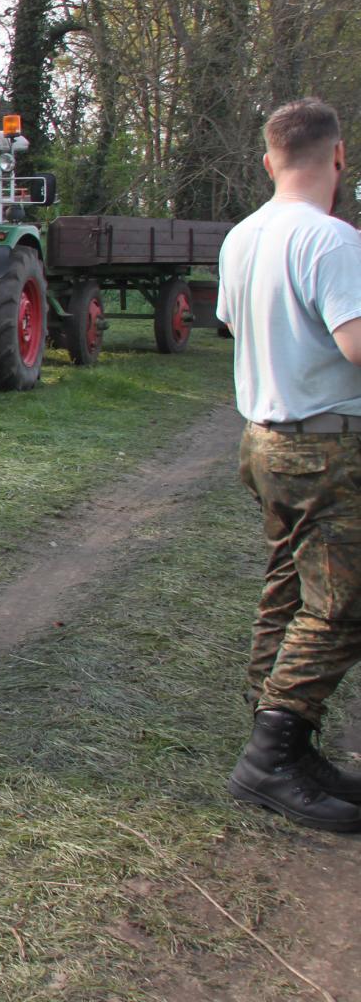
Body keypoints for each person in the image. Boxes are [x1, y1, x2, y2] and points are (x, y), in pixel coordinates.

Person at [217, 97, 361, 833]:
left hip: (265, 438)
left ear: (269, 161)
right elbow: (356, 344)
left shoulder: (243, 236)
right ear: (338, 155)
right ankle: (272, 756)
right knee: (341, 605)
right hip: (325, 446)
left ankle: (283, 745)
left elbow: (233, 323)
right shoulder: (331, 240)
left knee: (288, 587)